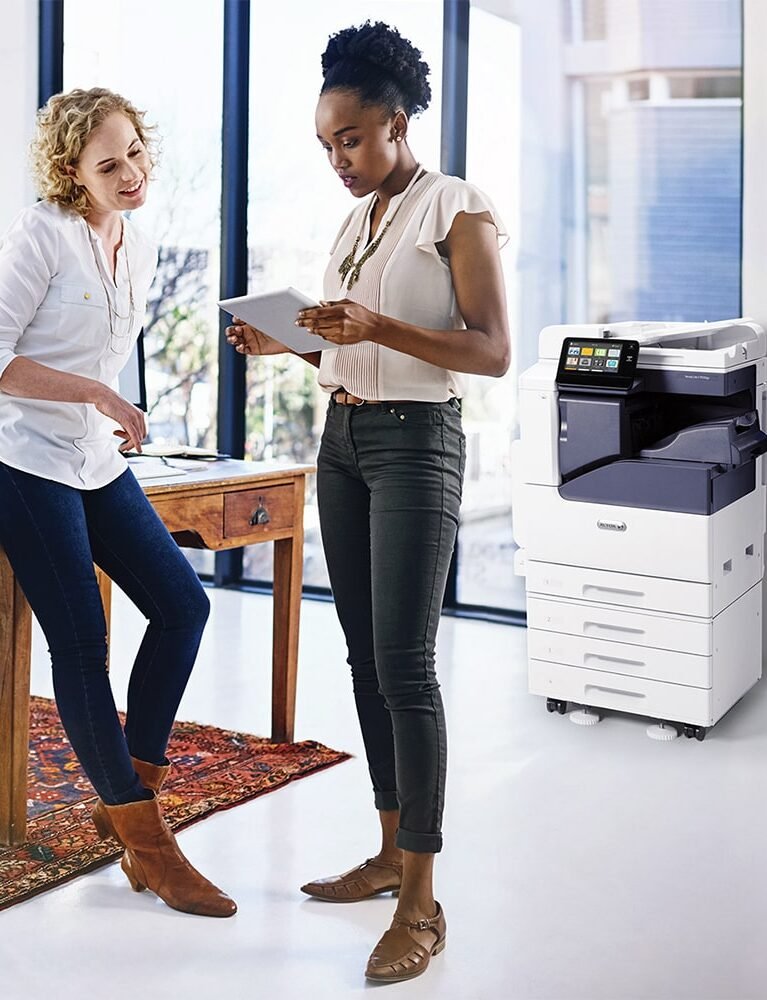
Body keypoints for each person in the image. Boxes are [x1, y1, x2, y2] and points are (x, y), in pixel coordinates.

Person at [226, 21, 509, 979]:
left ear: (395, 121)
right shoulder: (353, 226)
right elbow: (351, 347)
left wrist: (375, 322)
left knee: (406, 666)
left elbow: (491, 351)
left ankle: (424, 901)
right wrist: (292, 344)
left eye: (349, 139)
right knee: (361, 658)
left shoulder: (455, 208)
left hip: (415, 443)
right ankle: (389, 852)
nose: (338, 161)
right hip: (342, 438)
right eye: (325, 145)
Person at [0, 88, 235, 917]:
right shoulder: (41, 236)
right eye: (109, 164)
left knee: (182, 605)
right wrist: (99, 393)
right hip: (23, 457)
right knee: (82, 640)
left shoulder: (137, 245)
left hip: (95, 458)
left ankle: (133, 790)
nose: (131, 172)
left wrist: (108, 411)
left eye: (136, 151)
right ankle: (147, 839)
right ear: (72, 172)